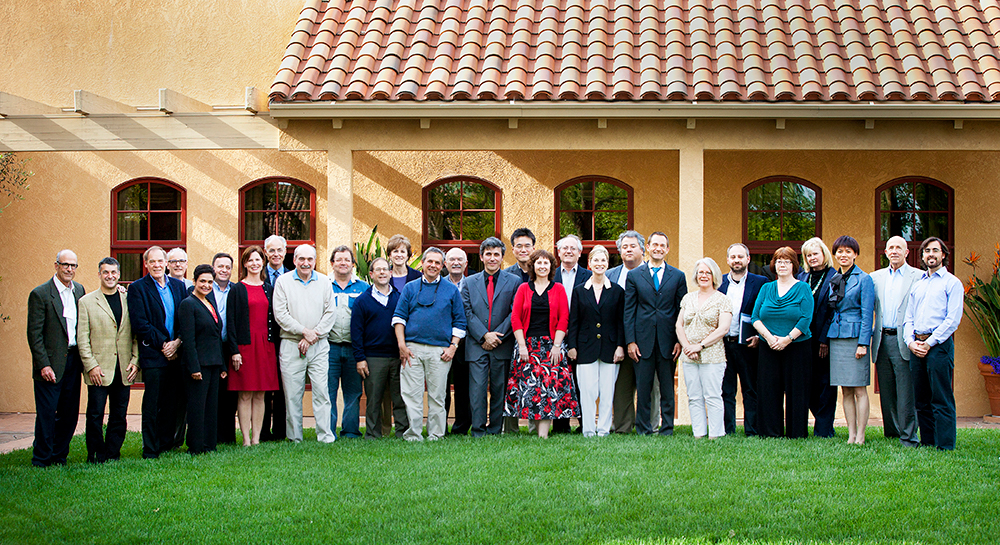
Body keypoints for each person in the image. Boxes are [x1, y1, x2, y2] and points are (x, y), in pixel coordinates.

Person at [392, 247, 467, 441]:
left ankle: (436, 434)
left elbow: (460, 321)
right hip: (412, 350)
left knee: (437, 396)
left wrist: (453, 347)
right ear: (423, 263)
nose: (433, 265)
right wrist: (402, 345)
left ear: (442, 266)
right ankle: (413, 434)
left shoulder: (451, 290)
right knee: (411, 395)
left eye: (437, 262)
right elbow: (399, 318)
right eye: (429, 261)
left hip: (440, 351)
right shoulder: (410, 287)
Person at [507, 249, 578, 438]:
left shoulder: (559, 289)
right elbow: (515, 318)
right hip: (527, 346)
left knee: (547, 388)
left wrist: (557, 345)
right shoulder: (523, 288)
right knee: (532, 389)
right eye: (539, 263)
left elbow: (564, 318)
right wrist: (521, 346)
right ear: (533, 266)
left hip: (551, 345)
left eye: (546, 263)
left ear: (551, 267)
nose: (542, 266)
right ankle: (534, 430)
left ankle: (543, 435)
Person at [272, 244, 337, 443]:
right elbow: (281, 315)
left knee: (321, 391)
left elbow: (330, 313)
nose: (306, 263)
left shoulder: (325, 281)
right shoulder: (283, 282)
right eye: (301, 259)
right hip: (291, 344)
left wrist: (312, 335)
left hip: (319, 345)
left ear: (315, 261)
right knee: (292, 394)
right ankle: (294, 437)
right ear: (294, 260)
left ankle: (325, 436)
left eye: (310, 259)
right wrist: (304, 332)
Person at [77, 257, 139, 463]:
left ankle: (113, 453)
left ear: (119, 275)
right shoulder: (86, 302)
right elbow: (82, 339)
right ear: (99, 274)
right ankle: (95, 454)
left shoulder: (129, 299)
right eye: (106, 272)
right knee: (95, 415)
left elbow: (135, 334)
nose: (110, 276)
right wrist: (91, 366)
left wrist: (135, 360)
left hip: (124, 367)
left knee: (119, 415)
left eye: (114, 272)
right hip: (99, 369)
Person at [26, 249, 85, 467]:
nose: (70, 269)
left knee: (69, 414)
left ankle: (59, 456)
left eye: (73, 266)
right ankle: (41, 458)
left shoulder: (79, 291)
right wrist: (43, 365)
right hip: (50, 364)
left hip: (73, 360)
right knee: (47, 414)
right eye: (65, 264)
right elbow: (34, 334)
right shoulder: (40, 294)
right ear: (56, 266)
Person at [624, 232, 686, 436]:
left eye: (663, 245)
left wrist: (679, 340)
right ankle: (643, 429)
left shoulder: (678, 276)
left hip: (669, 341)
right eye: (655, 244)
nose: (658, 248)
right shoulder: (634, 276)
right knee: (643, 389)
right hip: (642, 341)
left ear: (667, 249)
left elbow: (681, 310)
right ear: (648, 247)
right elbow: (629, 310)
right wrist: (630, 341)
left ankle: (667, 428)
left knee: (668, 389)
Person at [904, 237, 963, 450]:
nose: (931, 254)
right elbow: (908, 318)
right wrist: (910, 342)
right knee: (921, 398)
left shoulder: (952, 283)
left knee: (941, 397)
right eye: (927, 251)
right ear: (922, 256)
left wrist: (929, 342)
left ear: (943, 255)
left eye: (935, 251)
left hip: (939, 346)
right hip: (916, 346)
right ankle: (928, 441)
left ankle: (945, 444)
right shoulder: (918, 286)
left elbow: (952, 320)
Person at [127, 246, 186, 458]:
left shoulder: (179, 287)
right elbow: (140, 324)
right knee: (153, 404)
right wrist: (164, 345)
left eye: (160, 261)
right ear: (146, 264)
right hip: (153, 355)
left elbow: (184, 319)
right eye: (152, 262)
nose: (157, 265)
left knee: (171, 402)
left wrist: (177, 342)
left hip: (175, 355)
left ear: (167, 263)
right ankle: (150, 448)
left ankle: (165, 443)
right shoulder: (138, 288)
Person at [751, 247, 814, 439]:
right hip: (768, 346)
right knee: (768, 389)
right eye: (779, 261)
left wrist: (787, 339)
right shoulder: (766, 288)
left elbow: (805, 318)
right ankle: (770, 432)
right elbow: (755, 317)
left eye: (787, 261)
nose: (782, 264)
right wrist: (770, 338)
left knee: (797, 391)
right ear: (774, 265)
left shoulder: (803, 287)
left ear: (794, 265)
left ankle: (796, 433)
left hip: (797, 346)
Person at [461, 237, 520, 436]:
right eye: (488, 254)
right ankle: (478, 430)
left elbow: (515, 312)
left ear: (502, 257)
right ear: (481, 257)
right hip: (477, 345)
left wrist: (496, 337)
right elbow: (466, 312)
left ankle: (495, 429)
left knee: (499, 389)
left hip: (502, 344)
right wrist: (484, 336)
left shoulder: (514, 282)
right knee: (477, 391)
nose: (492, 258)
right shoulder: (468, 282)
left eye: (496, 254)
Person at [566, 245, 624, 437]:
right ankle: (589, 430)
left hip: (610, 347)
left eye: (603, 260)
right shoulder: (579, 290)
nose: (599, 264)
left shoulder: (617, 291)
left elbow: (620, 321)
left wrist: (620, 346)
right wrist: (572, 346)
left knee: (607, 392)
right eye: (596, 260)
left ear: (608, 264)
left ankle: (604, 430)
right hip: (585, 348)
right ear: (589, 264)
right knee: (588, 392)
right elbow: (574, 321)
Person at [226, 246, 281, 446]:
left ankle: (257, 438)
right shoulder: (237, 289)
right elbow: (230, 322)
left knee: (261, 394)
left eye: (258, 260)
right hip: (245, 347)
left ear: (263, 263)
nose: (254, 263)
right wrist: (234, 351)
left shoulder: (269, 288)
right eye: (250, 260)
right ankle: (246, 439)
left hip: (266, 346)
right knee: (245, 393)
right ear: (245, 264)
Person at [871, 236, 921, 446]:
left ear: (907, 252)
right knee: (887, 390)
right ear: (885, 252)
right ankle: (891, 432)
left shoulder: (918, 277)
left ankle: (908, 435)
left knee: (906, 391)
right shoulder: (875, 277)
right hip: (882, 339)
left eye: (898, 248)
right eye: (890, 247)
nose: (894, 251)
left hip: (905, 340)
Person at [607, 230, 658, 434]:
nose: (628, 249)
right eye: (624, 247)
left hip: (647, 340)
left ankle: (649, 426)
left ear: (642, 250)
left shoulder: (653, 273)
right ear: (619, 251)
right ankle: (622, 427)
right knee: (621, 387)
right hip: (618, 341)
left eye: (632, 246)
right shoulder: (611, 275)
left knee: (650, 387)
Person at [352, 257, 409, 438]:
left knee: (400, 398)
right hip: (373, 357)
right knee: (374, 399)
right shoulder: (362, 301)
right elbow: (356, 332)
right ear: (371, 274)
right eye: (378, 270)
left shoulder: (399, 298)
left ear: (391, 273)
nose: (382, 273)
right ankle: (373, 434)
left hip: (397, 356)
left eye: (385, 269)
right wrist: (360, 358)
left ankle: (402, 432)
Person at [827, 236, 876, 445]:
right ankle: (851, 434)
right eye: (839, 251)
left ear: (855, 254)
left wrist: (863, 343)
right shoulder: (835, 277)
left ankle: (862, 436)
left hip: (856, 337)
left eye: (848, 251)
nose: (843, 255)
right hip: (837, 336)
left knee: (858, 388)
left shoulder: (864, 279)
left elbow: (867, 314)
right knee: (844, 389)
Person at [676, 257, 733, 439]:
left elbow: (723, 328)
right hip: (689, 356)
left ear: (714, 275)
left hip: (712, 355)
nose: (704, 275)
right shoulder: (688, 298)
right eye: (701, 272)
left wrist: (699, 346)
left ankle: (716, 434)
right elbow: (679, 325)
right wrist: (687, 346)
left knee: (713, 395)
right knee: (693, 396)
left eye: (708, 272)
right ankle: (699, 433)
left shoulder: (722, 300)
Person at [177, 265, 228, 455]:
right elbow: (188, 339)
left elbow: (215, 336)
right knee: (197, 407)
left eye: (209, 282)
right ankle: (196, 447)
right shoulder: (188, 304)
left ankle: (209, 444)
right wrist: (194, 367)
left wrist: (222, 365)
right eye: (202, 281)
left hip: (213, 363)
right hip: (198, 365)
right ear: (194, 282)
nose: (206, 285)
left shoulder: (209, 303)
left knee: (211, 407)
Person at [719, 243, 766, 436]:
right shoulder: (719, 282)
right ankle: (727, 430)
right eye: (733, 257)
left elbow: (766, 312)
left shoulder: (761, 282)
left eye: (741, 256)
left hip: (749, 344)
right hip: (723, 345)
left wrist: (760, 336)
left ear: (748, 259)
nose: (736, 260)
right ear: (728, 260)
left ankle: (752, 430)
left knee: (750, 390)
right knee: (726, 391)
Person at [797, 237, 838, 438]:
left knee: (826, 385)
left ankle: (824, 430)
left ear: (824, 254)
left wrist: (824, 340)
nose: (812, 258)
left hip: (824, 339)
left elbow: (834, 311)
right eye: (808, 255)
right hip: (802, 338)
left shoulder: (835, 278)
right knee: (808, 383)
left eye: (815, 254)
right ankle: (821, 423)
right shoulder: (802, 277)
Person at [327, 245, 369, 439]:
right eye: (339, 260)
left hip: (354, 349)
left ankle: (350, 431)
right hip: (329, 347)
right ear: (332, 263)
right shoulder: (324, 286)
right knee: (328, 391)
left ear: (353, 264)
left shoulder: (364, 288)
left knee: (353, 393)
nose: (343, 263)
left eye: (347, 260)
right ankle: (328, 431)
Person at [553, 234, 592, 433]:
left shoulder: (589, 276)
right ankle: (560, 426)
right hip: (554, 337)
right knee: (558, 380)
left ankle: (585, 424)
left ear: (579, 253)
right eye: (564, 248)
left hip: (582, 336)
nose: (568, 251)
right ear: (558, 252)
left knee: (581, 381)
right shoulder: (549, 274)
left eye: (573, 248)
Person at [262, 234, 289, 442]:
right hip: (263, 339)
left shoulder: (291, 276)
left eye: (279, 250)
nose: (276, 254)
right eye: (271, 250)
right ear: (265, 253)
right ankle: (262, 431)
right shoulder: (257, 274)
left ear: (285, 252)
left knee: (282, 386)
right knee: (263, 386)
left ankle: (281, 431)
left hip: (286, 338)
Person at [443, 247, 472, 435]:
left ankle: (461, 427)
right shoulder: (438, 284)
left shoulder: (472, 284)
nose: (456, 262)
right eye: (451, 259)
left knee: (464, 388)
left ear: (466, 263)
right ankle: (440, 427)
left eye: (460, 259)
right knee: (441, 388)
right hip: (442, 343)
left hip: (467, 343)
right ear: (445, 263)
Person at [211, 252, 238, 445]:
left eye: (227, 267)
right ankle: (212, 434)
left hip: (231, 347)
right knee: (213, 393)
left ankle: (228, 437)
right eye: (220, 266)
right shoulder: (204, 288)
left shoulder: (236, 290)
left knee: (230, 394)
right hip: (211, 348)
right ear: (213, 268)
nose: (224, 270)